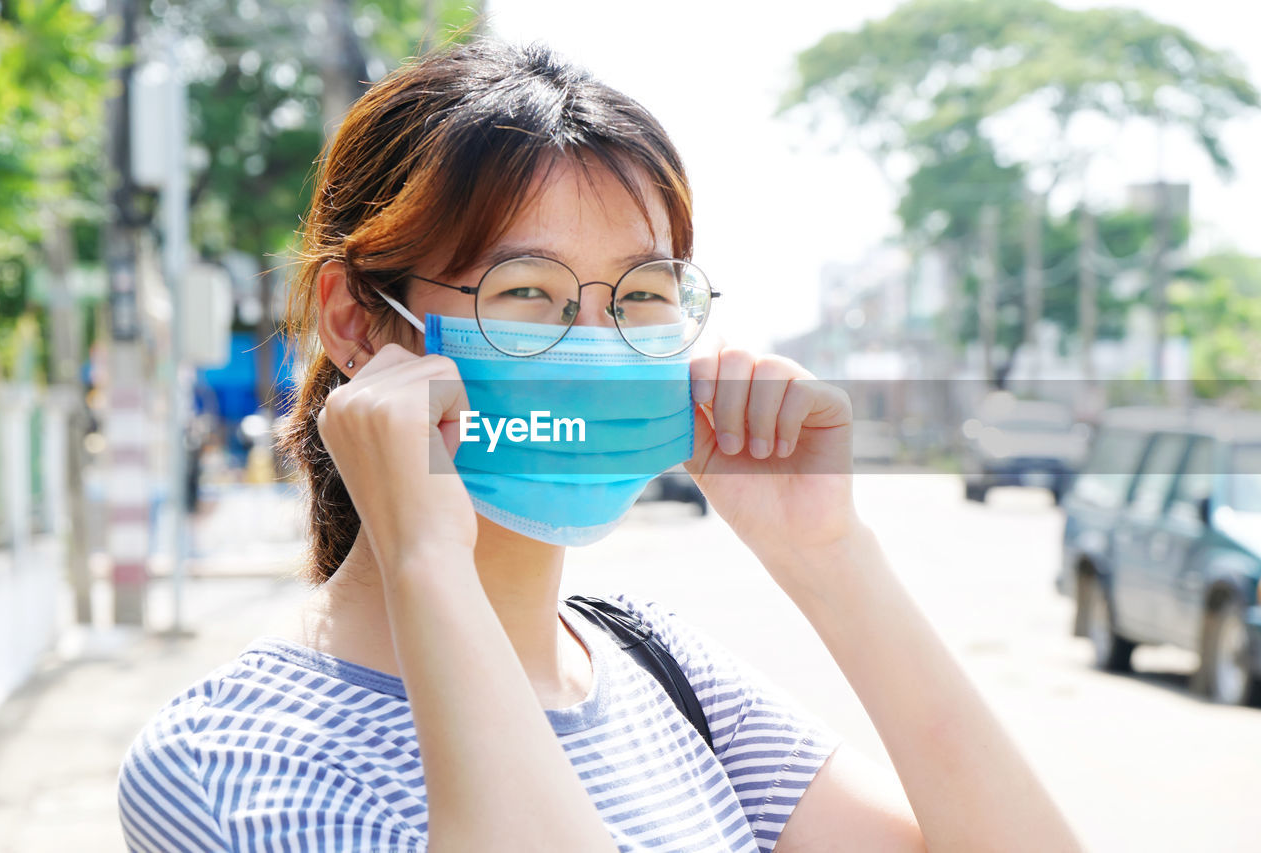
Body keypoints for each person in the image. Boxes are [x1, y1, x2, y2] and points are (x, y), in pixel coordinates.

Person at [117, 38, 1081, 852]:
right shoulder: (235, 758)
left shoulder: (655, 662)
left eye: (643, 295)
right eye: (525, 291)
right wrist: (426, 559)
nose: (595, 347)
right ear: (360, 323)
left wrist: (827, 555)